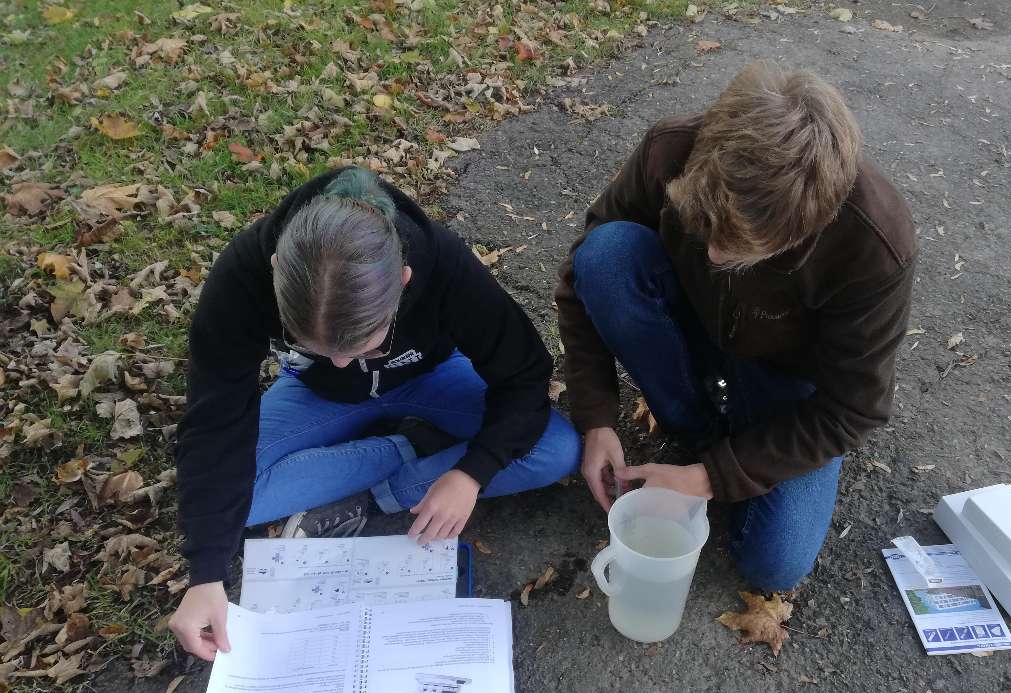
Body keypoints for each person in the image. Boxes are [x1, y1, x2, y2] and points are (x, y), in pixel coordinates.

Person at [170, 167, 580, 660]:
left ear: (404, 282)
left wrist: (471, 474)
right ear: (276, 270)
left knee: (555, 449)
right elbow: (215, 422)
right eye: (318, 346)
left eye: (368, 344)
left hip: (432, 377)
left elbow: (525, 374)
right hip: (315, 394)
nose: (344, 363)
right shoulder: (242, 275)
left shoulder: (441, 262)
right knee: (236, 501)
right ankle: (409, 448)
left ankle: (382, 484)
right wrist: (206, 574)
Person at [555, 62, 916, 591]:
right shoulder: (669, 150)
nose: (717, 253)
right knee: (607, 255)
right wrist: (595, 417)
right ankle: (696, 428)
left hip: (788, 387)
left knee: (775, 566)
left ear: (808, 226)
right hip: (695, 327)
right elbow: (581, 276)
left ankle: (725, 449)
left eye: (745, 251)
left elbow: (853, 407)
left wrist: (710, 478)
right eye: (704, 233)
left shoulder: (873, 244)